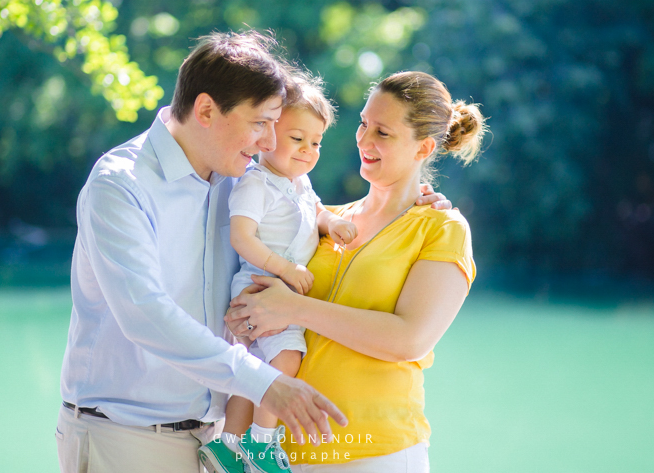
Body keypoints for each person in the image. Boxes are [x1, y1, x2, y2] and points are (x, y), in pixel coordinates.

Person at [56, 31, 348, 473]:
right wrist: (266, 384)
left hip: (214, 440)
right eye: (260, 123)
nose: (270, 143)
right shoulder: (120, 185)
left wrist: (407, 202)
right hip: (124, 438)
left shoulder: (239, 178)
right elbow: (146, 314)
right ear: (207, 110)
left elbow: (304, 212)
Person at [227, 71, 488, 472]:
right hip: (283, 457)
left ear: (425, 148)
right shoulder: (320, 218)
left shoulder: (441, 228)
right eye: (364, 124)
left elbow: (409, 340)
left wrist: (293, 308)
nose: (364, 141)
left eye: (383, 132)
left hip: (375, 454)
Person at [198, 76, 358, 473]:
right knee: (287, 359)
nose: (308, 151)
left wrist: (329, 223)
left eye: (316, 142)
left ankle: (227, 448)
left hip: (276, 288)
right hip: (263, 284)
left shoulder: (298, 181)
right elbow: (242, 237)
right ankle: (263, 441)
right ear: (269, 134)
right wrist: (285, 269)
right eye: (298, 139)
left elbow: (313, 211)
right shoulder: (256, 182)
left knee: (250, 370)